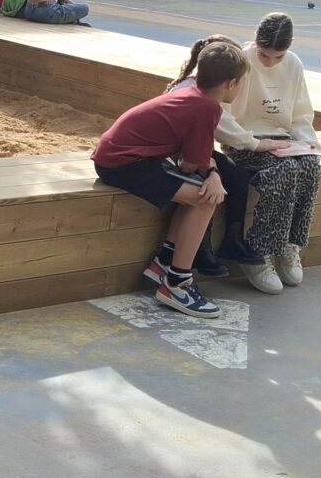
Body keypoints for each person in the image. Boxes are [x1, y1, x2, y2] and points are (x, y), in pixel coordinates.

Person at [91, 41, 249, 318]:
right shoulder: (207, 107)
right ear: (232, 83)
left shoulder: (195, 94)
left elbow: (193, 161)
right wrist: (212, 175)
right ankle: (177, 283)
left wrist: (209, 172)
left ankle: (164, 262)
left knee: (198, 193)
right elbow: (190, 165)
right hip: (124, 163)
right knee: (206, 199)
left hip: (120, 157)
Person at [208, 13, 321, 294]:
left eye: (278, 57)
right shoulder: (239, 60)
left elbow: (300, 112)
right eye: (264, 55)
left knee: (310, 166)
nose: (270, 62)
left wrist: (308, 144)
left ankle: (288, 244)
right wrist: (252, 143)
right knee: (284, 170)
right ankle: (258, 250)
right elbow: (220, 114)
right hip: (243, 140)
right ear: (255, 41)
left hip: (281, 138)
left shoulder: (294, 63)